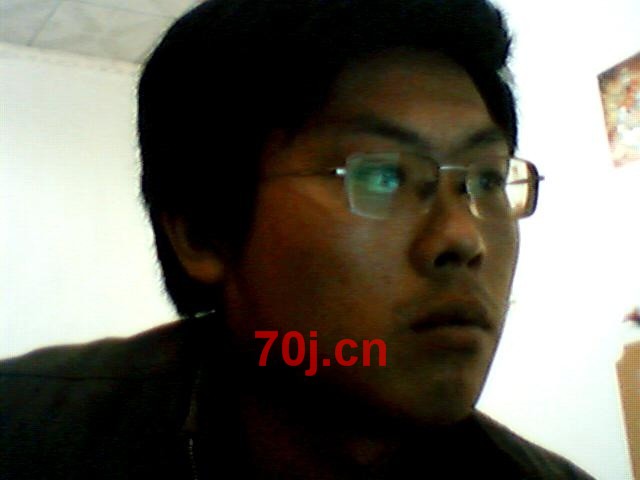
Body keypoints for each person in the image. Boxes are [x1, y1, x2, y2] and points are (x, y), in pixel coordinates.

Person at [1, 0, 595, 478]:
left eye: (486, 179)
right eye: (381, 176)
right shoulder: (26, 435)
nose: (464, 238)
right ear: (201, 232)